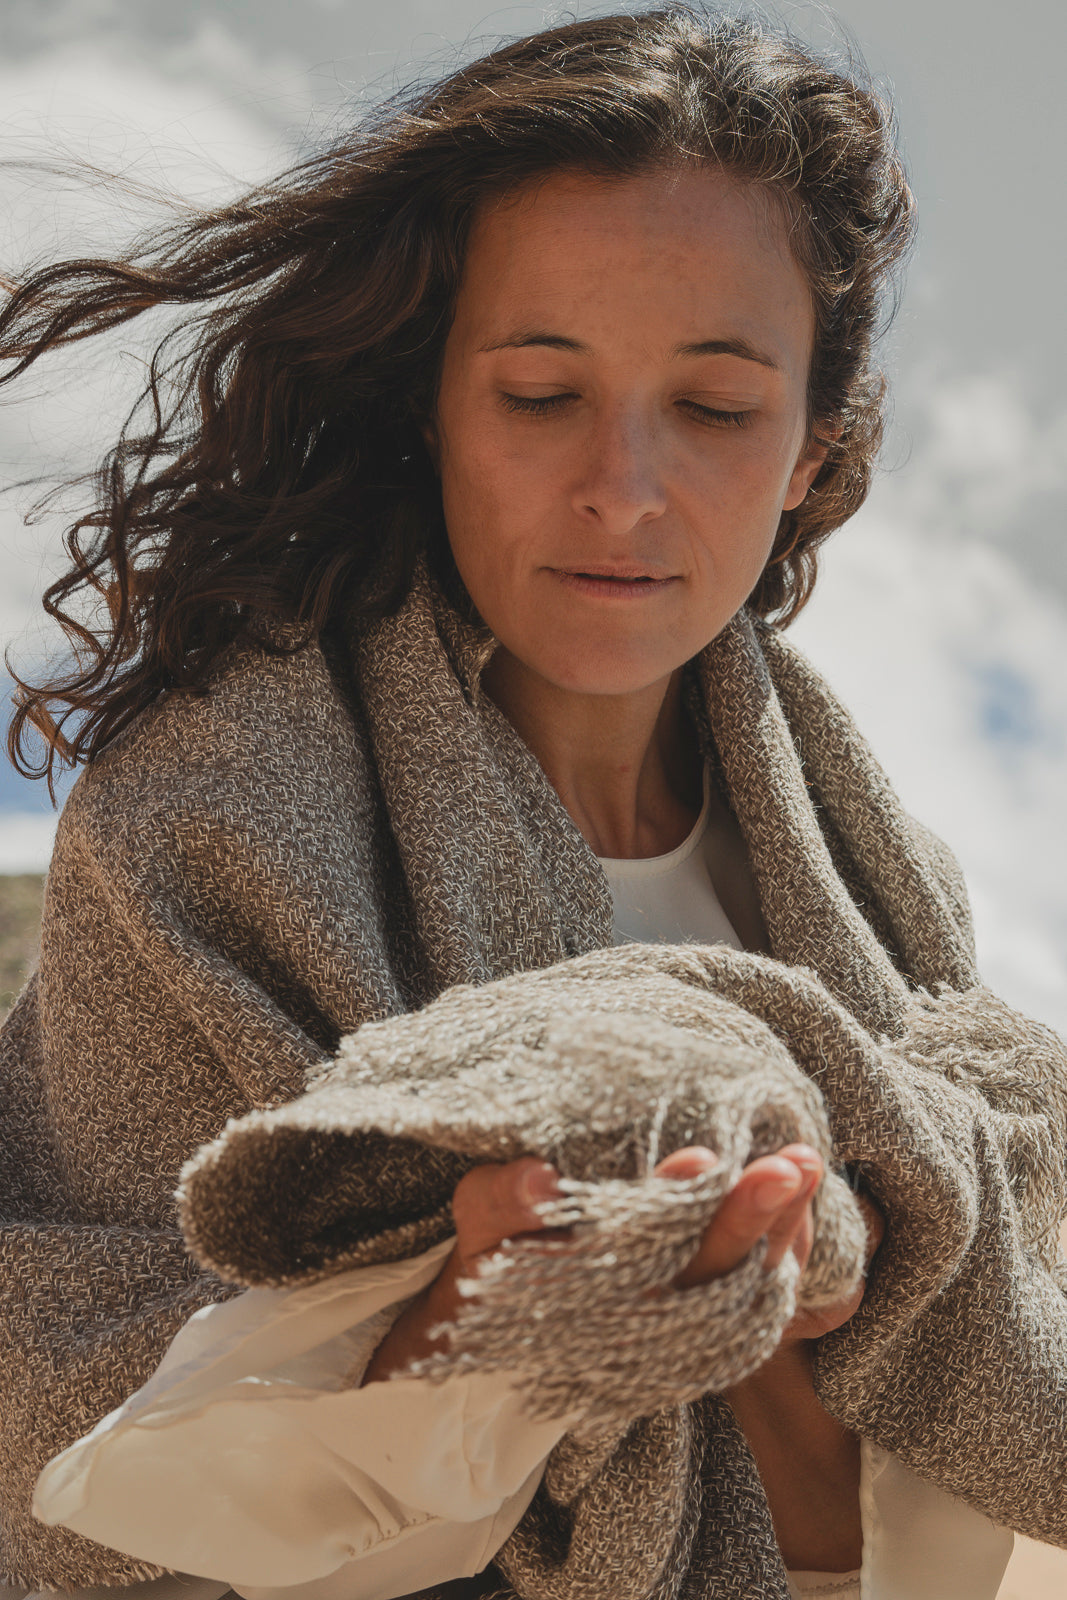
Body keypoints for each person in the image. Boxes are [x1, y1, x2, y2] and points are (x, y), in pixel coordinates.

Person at [2, 8, 1065, 1600]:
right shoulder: (203, 830)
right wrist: (450, 1349)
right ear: (430, 401)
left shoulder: (877, 871)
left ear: (805, 453)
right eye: (540, 392)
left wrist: (896, 1269)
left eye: (712, 408)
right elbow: (64, 1419)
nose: (625, 488)